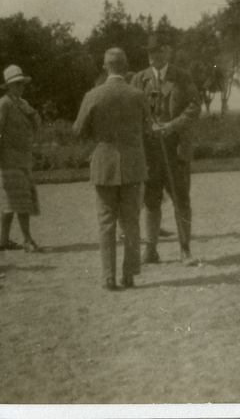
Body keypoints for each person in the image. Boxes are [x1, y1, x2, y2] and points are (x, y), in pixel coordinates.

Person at [73, 48, 151, 291]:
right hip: (133, 164)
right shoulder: (138, 95)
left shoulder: (93, 95)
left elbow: (77, 130)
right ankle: (129, 275)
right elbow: (149, 128)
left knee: (106, 223)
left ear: (105, 67)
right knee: (131, 222)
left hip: (104, 163)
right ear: (126, 66)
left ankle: (109, 276)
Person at [131, 33, 201, 266]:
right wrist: (148, 126)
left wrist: (172, 125)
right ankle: (151, 250)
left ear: (168, 52)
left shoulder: (182, 77)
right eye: (149, 52)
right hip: (151, 152)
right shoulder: (139, 79)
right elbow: (133, 111)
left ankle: (185, 250)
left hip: (176, 151)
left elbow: (194, 107)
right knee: (151, 202)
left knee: (181, 200)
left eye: (157, 51)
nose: (152, 56)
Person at [0, 65, 43, 253]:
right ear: (8, 86)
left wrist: (31, 112)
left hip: (22, 160)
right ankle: (27, 240)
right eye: (16, 84)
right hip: (8, 161)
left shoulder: (22, 104)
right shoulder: (3, 104)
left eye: (22, 84)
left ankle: (4, 240)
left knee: (11, 202)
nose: (20, 87)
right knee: (21, 201)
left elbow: (37, 125)